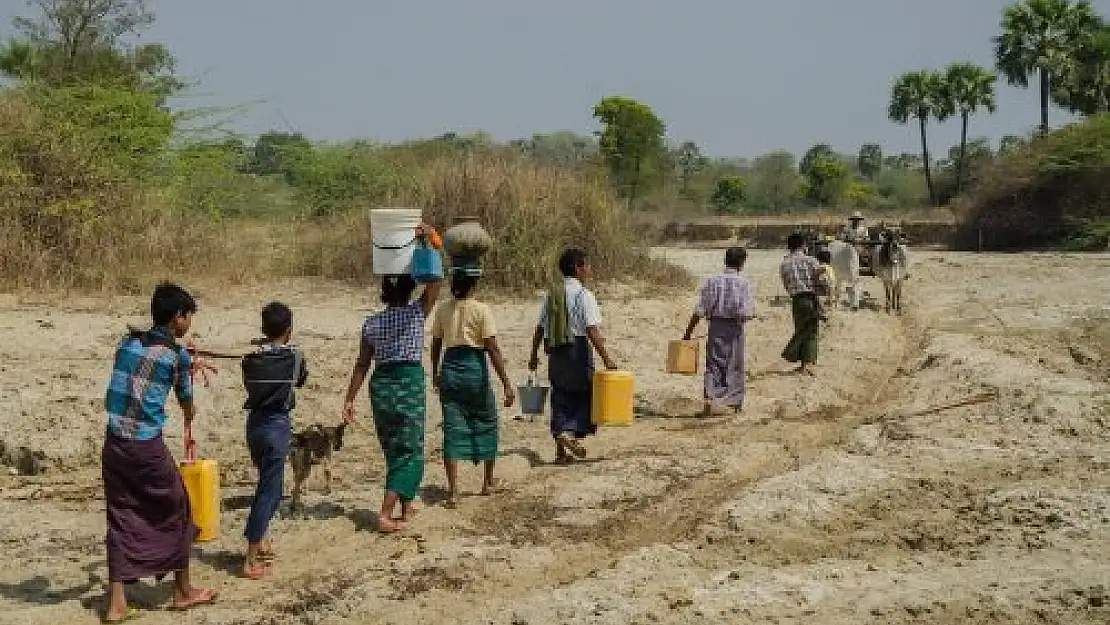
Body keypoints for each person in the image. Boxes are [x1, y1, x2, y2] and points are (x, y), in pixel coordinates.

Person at [101, 283, 218, 622]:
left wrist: (185, 362)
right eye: (189, 316)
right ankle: (183, 591)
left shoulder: (128, 343)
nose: (190, 323)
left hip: (114, 444)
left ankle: (117, 604)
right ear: (177, 317)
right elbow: (186, 404)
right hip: (145, 447)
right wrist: (189, 390)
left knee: (121, 515)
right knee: (178, 509)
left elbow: (141, 372)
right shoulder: (176, 356)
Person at [342, 224, 442, 533]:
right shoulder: (416, 314)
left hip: (380, 384)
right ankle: (386, 513)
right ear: (410, 289)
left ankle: (406, 503)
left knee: (393, 447)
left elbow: (361, 365)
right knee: (411, 449)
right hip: (409, 382)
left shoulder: (371, 324)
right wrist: (431, 242)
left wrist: (349, 398)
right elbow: (436, 281)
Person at [429, 262, 516, 508]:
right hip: (474, 370)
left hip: (450, 369)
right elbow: (493, 349)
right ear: (474, 285)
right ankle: (487, 481)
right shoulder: (481, 310)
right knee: (487, 421)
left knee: (453, 427)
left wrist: (435, 372)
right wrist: (506, 383)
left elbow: (436, 344)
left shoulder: (443, 309)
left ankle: (453, 491)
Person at [528, 247, 618, 463]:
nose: (588, 269)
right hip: (577, 350)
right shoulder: (583, 295)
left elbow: (540, 328)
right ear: (578, 268)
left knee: (560, 397)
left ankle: (560, 451)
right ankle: (570, 434)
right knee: (586, 394)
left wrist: (533, 355)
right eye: (586, 265)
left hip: (556, 353)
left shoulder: (553, 294)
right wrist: (607, 358)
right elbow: (592, 331)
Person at [240, 301, 308, 580]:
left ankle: (262, 539)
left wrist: (265, 347)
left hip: (254, 425)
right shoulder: (294, 358)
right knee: (271, 491)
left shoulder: (250, 359)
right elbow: (301, 380)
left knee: (264, 483)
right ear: (289, 330)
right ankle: (250, 559)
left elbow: (249, 376)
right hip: (276, 426)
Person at [682, 247, 756, 416]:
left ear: (725, 260)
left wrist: (688, 332)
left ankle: (709, 401)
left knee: (713, 364)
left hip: (715, 326)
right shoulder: (744, 283)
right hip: (735, 328)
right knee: (735, 365)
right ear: (742, 263)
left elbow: (700, 309)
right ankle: (734, 404)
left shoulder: (713, 281)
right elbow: (746, 312)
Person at [780, 233, 828, 375]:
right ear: (802, 245)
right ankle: (803, 362)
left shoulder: (784, 263)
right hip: (810, 297)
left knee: (800, 328)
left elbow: (786, 283)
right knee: (811, 332)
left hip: (796, 300)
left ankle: (802, 364)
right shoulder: (811, 261)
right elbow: (821, 280)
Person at [815, 248, 835, 320]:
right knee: (829, 301)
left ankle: (823, 314)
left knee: (818, 299)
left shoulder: (822, 267)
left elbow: (822, 277)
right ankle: (828, 314)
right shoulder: (830, 268)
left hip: (825, 286)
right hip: (831, 287)